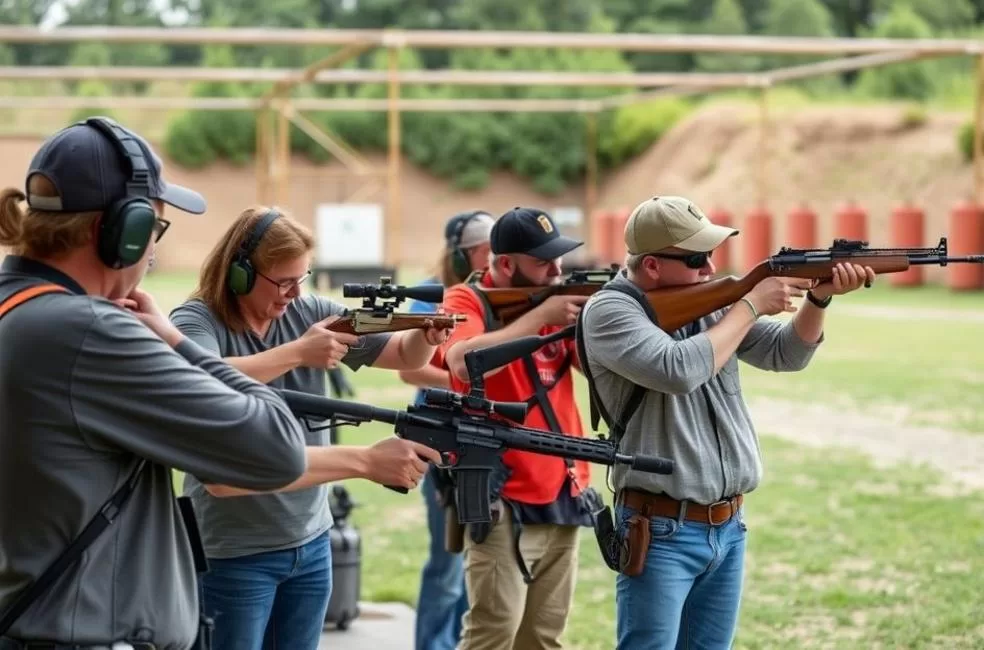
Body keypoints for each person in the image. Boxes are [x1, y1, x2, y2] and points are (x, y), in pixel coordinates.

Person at [0, 117, 311, 649]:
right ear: (123, 231)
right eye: (154, 232)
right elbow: (278, 450)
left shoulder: (15, 307)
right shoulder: (89, 331)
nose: (151, 253)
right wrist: (178, 344)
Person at [576, 195, 875, 649]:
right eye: (697, 259)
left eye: (711, 254)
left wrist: (818, 298)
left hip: (728, 525)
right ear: (652, 266)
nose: (710, 268)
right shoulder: (609, 311)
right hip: (659, 530)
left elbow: (786, 354)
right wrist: (750, 304)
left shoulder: (713, 303)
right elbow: (678, 369)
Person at [168, 206, 449, 650]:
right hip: (235, 553)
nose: (295, 293)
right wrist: (299, 352)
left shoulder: (310, 308)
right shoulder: (197, 320)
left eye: (302, 278)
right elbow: (201, 380)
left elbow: (402, 356)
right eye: (283, 282)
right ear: (240, 273)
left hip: (311, 543)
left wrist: (423, 336)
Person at [439, 207, 597, 650]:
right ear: (505, 263)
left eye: (558, 258)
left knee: (544, 638)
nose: (557, 270)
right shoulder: (467, 300)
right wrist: (541, 314)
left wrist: (587, 326)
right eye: (543, 261)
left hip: (565, 485)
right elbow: (462, 360)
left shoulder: (555, 300)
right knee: (494, 633)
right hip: (502, 495)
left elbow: (590, 372)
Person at [397, 210, 495, 650]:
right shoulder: (429, 295)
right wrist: (473, 383)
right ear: (461, 251)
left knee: (480, 570)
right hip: (441, 444)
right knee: (448, 565)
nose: (493, 257)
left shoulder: (493, 297)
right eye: (483, 248)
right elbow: (409, 371)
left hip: (484, 443)